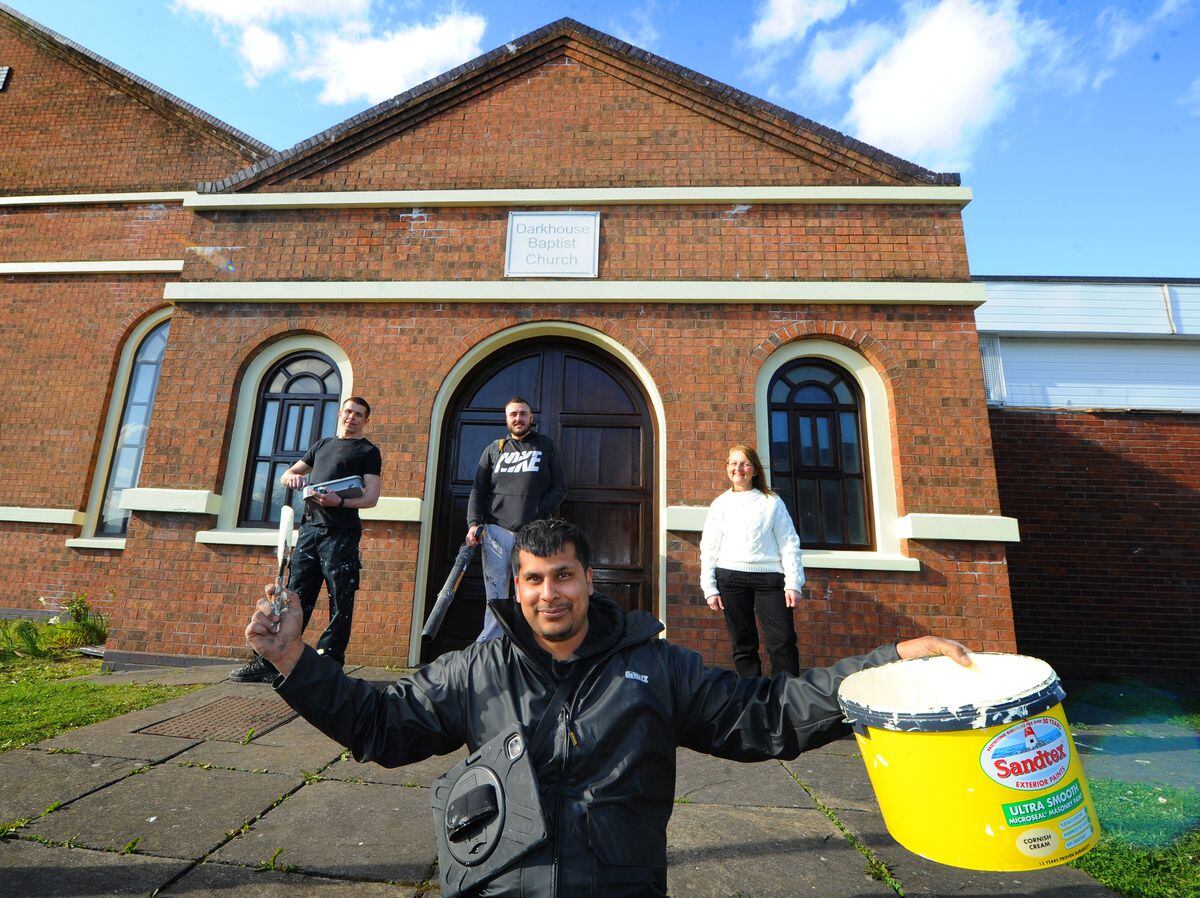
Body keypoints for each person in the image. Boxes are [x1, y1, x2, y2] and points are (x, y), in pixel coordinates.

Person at [246, 518, 972, 897]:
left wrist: (885, 667)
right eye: (533, 580)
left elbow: (768, 714)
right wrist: (291, 661)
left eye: (563, 576)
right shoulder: (478, 669)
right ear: (517, 587)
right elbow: (380, 726)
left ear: (590, 579)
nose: (548, 594)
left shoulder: (656, 667)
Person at [231, 396, 381, 682]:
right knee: (292, 597)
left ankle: (331, 664)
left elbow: (371, 498)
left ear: (365, 420)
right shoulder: (321, 445)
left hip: (341, 534)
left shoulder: (368, 451)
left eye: (359, 414)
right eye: (349, 412)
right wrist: (292, 478)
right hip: (309, 531)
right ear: (341, 413)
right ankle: (271, 662)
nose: (352, 417)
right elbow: (289, 473)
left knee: (340, 599)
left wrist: (338, 501)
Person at [464, 396, 566, 642]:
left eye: (523, 414)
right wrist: (473, 523)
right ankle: (490, 644)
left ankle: (530, 643)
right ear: (506, 419)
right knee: (496, 593)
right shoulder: (493, 449)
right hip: (496, 532)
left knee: (531, 591)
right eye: (513, 414)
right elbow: (478, 490)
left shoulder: (545, 446)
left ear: (531, 418)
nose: (518, 418)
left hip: (533, 533)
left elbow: (559, 488)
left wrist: (538, 510)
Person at [701, 444, 805, 677]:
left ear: (755, 470)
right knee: (743, 644)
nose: (738, 468)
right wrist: (709, 587)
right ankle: (753, 700)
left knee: (783, 641)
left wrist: (793, 583)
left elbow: (789, 543)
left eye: (745, 463)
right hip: (730, 579)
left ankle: (787, 697)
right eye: (733, 463)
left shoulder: (772, 502)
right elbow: (709, 547)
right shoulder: (720, 504)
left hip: (770, 580)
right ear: (727, 468)